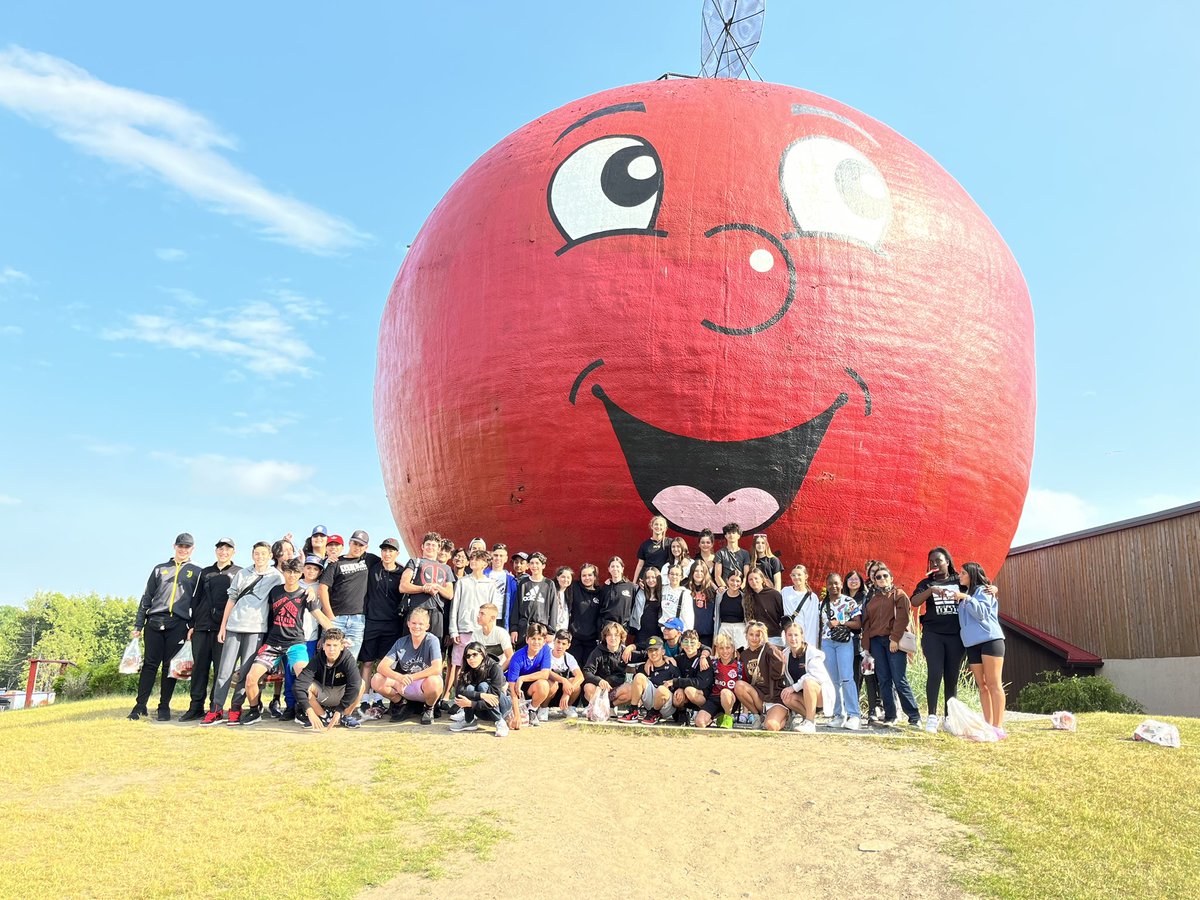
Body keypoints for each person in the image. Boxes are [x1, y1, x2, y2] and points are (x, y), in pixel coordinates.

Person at [239, 557, 335, 726]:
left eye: (296, 572)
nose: (292, 575)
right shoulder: (274, 591)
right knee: (251, 678)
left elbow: (320, 617)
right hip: (273, 643)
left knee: (304, 679)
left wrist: (338, 635)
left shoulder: (305, 595)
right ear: (283, 572)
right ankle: (254, 710)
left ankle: (307, 711)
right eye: (288, 571)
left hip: (296, 643)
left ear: (300, 573)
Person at [129, 533, 205, 721]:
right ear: (174, 546)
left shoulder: (197, 571)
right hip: (154, 621)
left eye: (187, 547)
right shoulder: (160, 569)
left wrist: (193, 625)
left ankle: (164, 706)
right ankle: (140, 706)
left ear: (192, 549)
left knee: (170, 667)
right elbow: (146, 597)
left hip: (179, 623)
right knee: (149, 665)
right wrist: (139, 624)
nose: (183, 549)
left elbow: (199, 601)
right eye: (180, 546)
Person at [205, 541, 281, 726]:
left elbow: (289, 589)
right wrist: (223, 626)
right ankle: (216, 709)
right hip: (234, 626)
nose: (260, 556)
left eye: (264, 553)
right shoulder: (243, 573)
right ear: (252, 554)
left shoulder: (276, 576)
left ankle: (236, 708)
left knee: (245, 673)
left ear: (270, 556)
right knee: (225, 670)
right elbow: (231, 600)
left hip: (256, 629)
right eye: (257, 553)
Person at [180, 537, 239, 722]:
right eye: (220, 549)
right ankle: (195, 707)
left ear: (233, 552)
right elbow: (196, 599)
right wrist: (192, 625)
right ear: (216, 551)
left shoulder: (239, 573)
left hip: (224, 629)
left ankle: (216, 707)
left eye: (227, 549)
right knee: (199, 669)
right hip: (202, 627)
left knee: (221, 670)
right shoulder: (205, 572)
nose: (223, 552)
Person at [910, 547, 966, 732]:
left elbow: (978, 588)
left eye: (938, 560)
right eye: (931, 561)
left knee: (952, 677)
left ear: (947, 562)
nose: (934, 564)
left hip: (956, 635)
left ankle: (949, 718)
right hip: (933, 634)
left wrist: (994, 588)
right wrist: (932, 590)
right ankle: (932, 716)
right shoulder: (926, 583)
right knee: (935, 672)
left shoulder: (959, 580)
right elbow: (915, 601)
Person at [860, 565, 920, 726]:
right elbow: (867, 623)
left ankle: (914, 717)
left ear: (891, 578)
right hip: (876, 642)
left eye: (885, 576)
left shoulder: (899, 595)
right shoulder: (872, 598)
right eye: (878, 577)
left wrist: (894, 639)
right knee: (884, 680)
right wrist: (866, 646)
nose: (882, 579)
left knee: (899, 679)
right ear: (874, 580)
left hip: (893, 641)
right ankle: (890, 716)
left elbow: (902, 618)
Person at [371, 607, 444, 725]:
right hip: (405, 685)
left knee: (435, 681)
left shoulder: (432, 640)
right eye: (414, 623)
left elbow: (437, 668)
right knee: (377, 679)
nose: (417, 627)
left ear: (427, 626)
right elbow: (381, 667)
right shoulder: (401, 642)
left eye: (421, 624)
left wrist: (411, 678)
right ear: (408, 623)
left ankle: (429, 708)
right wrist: (399, 677)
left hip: (423, 685)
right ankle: (402, 703)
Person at [359, 538, 406, 717]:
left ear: (397, 553)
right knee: (368, 662)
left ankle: (378, 697)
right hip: (371, 621)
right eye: (384, 550)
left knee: (384, 664)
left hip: (392, 624)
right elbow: (355, 554)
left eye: (391, 550)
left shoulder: (402, 572)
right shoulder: (372, 566)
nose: (387, 553)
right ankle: (364, 699)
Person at [957, 562, 1006, 729]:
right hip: (972, 644)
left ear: (971, 574)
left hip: (990, 640)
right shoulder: (965, 593)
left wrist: (967, 598)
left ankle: (998, 727)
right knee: (982, 686)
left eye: (963, 573)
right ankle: (988, 724)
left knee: (994, 684)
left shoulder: (983, 590)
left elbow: (981, 614)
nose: (959, 576)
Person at [445, 548, 495, 710]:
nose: (473, 561)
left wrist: (489, 630)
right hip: (463, 630)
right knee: (458, 666)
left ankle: (473, 701)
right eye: (472, 558)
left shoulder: (490, 584)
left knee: (478, 666)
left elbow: (493, 610)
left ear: (485, 563)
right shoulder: (462, 582)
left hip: (480, 632)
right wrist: (453, 630)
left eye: (477, 559)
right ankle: (457, 700)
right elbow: (455, 607)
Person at [317, 528, 376, 663]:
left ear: (366, 547)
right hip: (336, 618)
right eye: (355, 543)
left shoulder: (369, 559)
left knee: (349, 661)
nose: (357, 547)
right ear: (349, 543)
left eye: (361, 545)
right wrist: (330, 617)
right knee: (327, 660)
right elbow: (322, 589)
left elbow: (389, 563)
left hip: (357, 621)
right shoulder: (336, 562)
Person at [280, 554, 326, 722]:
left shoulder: (321, 587)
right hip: (290, 636)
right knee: (290, 673)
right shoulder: (293, 582)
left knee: (307, 674)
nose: (311, 571)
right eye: (308, 567)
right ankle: (290, 706)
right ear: (302, 569)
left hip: (311, 637)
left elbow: (322, 615)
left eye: (315, 568)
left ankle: (303, 706)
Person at [294, 627, 363, 732]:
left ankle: (345, 716)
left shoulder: (348, 660)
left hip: (341, 693)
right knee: (306, 687)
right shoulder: (317, 659)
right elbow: (298, 686)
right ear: (323, 646)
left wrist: (340, 711)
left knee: (361, 684)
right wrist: (310, 712)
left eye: (335, 645)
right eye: (328, 645)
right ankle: (323, 716)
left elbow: (354, 685)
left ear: (342, 647)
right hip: (323, 692)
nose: (331, 649)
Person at [399, 532, 454, 654]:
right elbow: (403, 586)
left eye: (434, 545)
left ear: (438, 549)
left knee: (434, 650)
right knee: (410, 648)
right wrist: (424, 588)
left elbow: (450, 594)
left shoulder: (447, 569)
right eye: (428, 544)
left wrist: (436, 587)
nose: (430, 547)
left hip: (436, 612)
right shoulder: (414, 562)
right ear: (422, 547)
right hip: (416, 610)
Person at [820, 572, 863, 729]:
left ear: (841, 584)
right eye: (830, 583)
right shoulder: (822, 604)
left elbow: (858, 624)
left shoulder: (849, 601)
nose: (834, 586)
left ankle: (854, 715)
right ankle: (839, 715)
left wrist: (841, 622)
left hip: (844, 642)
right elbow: (821, 626)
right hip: (827, 643)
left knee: (847, 678)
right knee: (833, 681)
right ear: (827, 585)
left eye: (837, 583)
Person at [450, 642, 509, 737]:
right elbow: (458, 693)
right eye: (468, 656)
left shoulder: (495, 668)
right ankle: (469, 720)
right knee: (469, 688)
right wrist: (481, 695)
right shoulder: (467, 670)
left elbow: (495, 699)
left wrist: (470, 704)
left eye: (475, 654)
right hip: (482, 709)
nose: (471, 658)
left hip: (501, 706)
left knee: (483, 686)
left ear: (482, 654)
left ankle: (500, 722)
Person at [778, 621, 827, 733]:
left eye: (796, 635)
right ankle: (808, 719)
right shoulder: (785, 654)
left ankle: (810, 722)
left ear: (802, 636)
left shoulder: (812, 653)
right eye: (790, 635)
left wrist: (794, 687)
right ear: (785, 636)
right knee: (786, 696)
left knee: (808, 682)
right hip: (802, 698)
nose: (793, 638)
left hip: (819, 697)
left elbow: (817, 675)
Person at [733, 621, 784, 726]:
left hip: (773, 695)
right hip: (757, 696)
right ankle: (757, 716)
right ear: (746, 635)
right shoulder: (744, 655)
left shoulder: (769, 649)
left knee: (771, 726)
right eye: (751, 634)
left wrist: (768, 645)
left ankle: (784, 719)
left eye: (758, 635)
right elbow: (745, 680)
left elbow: (778, 673)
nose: (754, 638)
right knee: (739, 685)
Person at [618, 635, 678, 724]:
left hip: (667, 705)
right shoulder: (645, 667)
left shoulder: (671, 666)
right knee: (638, 676)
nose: (653, 653)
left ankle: (655, 714)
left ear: (663, 651)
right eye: (650, 650)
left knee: (662, 689)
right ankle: (633, 711)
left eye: (656, 650)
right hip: (650, 703)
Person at [582, 621, 638, 711]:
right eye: (609, 635)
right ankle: (598, 708)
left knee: (631, 689)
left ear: (621, 637)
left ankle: (609, 708)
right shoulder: (597, 651)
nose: (613, 638)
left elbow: (647, 653)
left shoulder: (626, 652)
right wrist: (599, 681)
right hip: (600, 689)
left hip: (617, 690)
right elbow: (587, 671)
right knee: (588, 687)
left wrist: (632, 646)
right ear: (605, 637)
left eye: (616, 635)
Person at [506, 623, 552, 728]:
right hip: (516, 688)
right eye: (533, 638)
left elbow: (545, 674)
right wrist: (517, 715)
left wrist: (522, 678)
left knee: (544, 685)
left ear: (544, 641)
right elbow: (512, 689)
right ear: (527, 639)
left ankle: (532, 710)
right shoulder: (517, 657)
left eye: (539, 639)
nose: (536, 642)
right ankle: (518, 711)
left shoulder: (546, 650)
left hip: (530, 684)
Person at [693, 633, 743, 729]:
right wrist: (703, 657)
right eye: (721, 648)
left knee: (724, 692)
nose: (725, 651)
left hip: (730, 698)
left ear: (733, 649)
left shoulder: (740, 666)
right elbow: (703, 649)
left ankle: (728, 717)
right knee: (700, 722)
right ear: (717, 649)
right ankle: (718, 717)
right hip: (714, 698)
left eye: (728, 648)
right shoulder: (713, 663)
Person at [669, 629, 714, 724]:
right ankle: (682, 713)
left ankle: (707, 713)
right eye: (685, 641)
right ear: (681, 644)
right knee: (677, 696)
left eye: (692, 642)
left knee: (689, 690)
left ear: (698, 645)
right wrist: (665, 657)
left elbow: (700, 682)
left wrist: (677, 682)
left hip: (703, 695)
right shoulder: (678, 659)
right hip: (685, 694)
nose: (689, 645)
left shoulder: (704, 660)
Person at [511, 551, 555, 646]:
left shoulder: (549, 584)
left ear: (543, 565)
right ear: (529, 565)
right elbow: (516, 607)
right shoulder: (523, 583)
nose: (534, 566)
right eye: (532, 563)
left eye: (537, 563)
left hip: (541, 628)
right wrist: (514, 629)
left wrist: (551, 631)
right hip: (524, 629)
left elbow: (553, 608)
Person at [544, 629, 584, 719]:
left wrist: (567, 693)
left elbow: (580, 676)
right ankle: (543, 708)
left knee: (574, 682)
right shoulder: (546, 654)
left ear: (568, 646)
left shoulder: (569, 658)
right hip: (549, 691)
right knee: (551, 683)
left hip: (563, 694)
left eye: (563, 644)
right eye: (558, 642)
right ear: (554, 642)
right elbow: (546, 672)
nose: (560, 646)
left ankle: (566, 707)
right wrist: (563, 680)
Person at [568, 563, 603, 665]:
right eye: (584, 575)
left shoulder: (600, 592)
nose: (587, 578)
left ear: (595, 576)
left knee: (588, 669)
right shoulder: (574, 587)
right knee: (574, 669)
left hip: (592, 640)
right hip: (575, 638)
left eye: (590, 575)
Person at [744, 568, 785, 644]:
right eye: (750, 579)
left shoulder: (774, 595)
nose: (754, 581)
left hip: (774, 638)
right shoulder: (747, 597)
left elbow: (782, 615)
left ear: (762, 579)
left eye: (756, 578)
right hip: (756, 639)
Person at [599, 557, 636, 636]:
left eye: (617, 566)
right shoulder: (605, 587)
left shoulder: (631, 587)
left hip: (622, 628)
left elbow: (634, 606)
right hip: (607, 628)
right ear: (609, 569)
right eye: (612, 566)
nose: (615, 569)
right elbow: (600, 607)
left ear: (622, 568)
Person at [485, 543, 517, 631]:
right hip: (484, 617)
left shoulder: (511, 580)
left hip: (502, 619)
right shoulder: (483, 575)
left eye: (501, 556)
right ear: (491, 556)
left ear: (506, 558)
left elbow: (514, 604)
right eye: (495, 555)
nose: (498, 558)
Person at [629, 566, 664, 648]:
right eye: (648, 578)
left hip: (658, 634)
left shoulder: (664, 593)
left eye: (653, 577)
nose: (650, 580)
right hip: (641, 633)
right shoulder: (639, 591)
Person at [632, 515, 671, 584]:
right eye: (656, 524)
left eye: (661, 525)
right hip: (647, 580)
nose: (658, 527)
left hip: (663, 580)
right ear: (652, 526)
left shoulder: (670, 543)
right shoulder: (645, 545)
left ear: (665, 528)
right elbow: (640, 565)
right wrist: (634, 582)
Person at [471, 602, 514, 667]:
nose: (478, 616)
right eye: (479, 613)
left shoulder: (502, 633)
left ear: (492, 618)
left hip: (500, 669)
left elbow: (510, 657)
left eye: (482, 614)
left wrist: (499, 672)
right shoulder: (475, 634)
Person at [715, 569, 748, 650]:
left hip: (740, 629)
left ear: (741, 582)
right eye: (732, 580)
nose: (735, 583)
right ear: (727, 580)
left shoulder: (744, 597)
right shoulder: (720, 595)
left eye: (738, 581)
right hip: (724, 628)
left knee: (741, 655)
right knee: (724, 654)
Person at [686, 561, 716, 647]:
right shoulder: (685, 589)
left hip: (707, 634)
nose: (699, 574)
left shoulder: (712, 590)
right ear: (692, 572)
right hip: (689, 635)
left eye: (702, 571)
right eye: (696, 571)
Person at [714, 522, 750, 590]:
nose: (731, 535)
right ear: (725, 536)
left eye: (733, 533)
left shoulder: (745, 553)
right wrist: (726, 590)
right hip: (725, 589)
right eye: (728, 533)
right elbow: (717, 576)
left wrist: (740, 589)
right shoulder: (720, 553)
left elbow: (746, 575)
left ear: (739, 535)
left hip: (741, 589)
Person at [661, 564, 695, 632]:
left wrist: (687, 633)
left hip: (677, 631)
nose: (674, 576)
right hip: (663, 629)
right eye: (672, 574)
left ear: (681, 577)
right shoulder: (662, 590)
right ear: (668, 575)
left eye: (677, 574)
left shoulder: (685, 593)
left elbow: (688, 616)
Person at [549, 566, 572, 635]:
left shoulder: (569, 594)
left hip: (563, 632)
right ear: (557, 577)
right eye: (563, 577)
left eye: (568, 577)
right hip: (551, 631)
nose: (565, 580)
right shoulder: (551, 592)